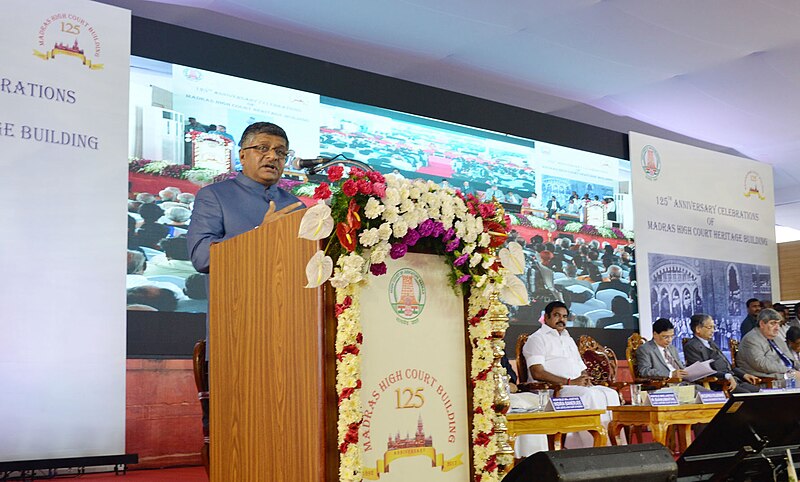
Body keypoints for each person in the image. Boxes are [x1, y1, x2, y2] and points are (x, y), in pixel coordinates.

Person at [187, 122, 304, 274]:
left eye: (280, 152)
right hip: (237, 295)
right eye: (263, 148)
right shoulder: (215, 195)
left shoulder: (296, 206)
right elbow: (202, 258)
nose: (273, 156)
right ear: (242, 156)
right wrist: (259, 235)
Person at [521, 301, 621, 450]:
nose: (561, 319)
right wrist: (569, 381)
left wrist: (584, 379)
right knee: (589, 395)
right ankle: (592, 448)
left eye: (564, 316)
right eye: (556, 315)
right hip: (555, 390)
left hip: (575, 386)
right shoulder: (536, 339)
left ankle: (614, 446)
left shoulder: (568, 339)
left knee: (610, 393)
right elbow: (537, 372)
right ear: (546, 317)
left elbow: (581, 368)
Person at [684, 314, 760, 393]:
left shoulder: (711, 343)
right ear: (698, 329)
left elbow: (728, 365)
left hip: (733, 380)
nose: (713, 330)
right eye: (710, 327)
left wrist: (744, 375)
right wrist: (726, 376)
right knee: (747, 396)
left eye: (714, 327)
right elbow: (702, 371)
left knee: (759, 393)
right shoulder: (691, 346)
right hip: (718, 384)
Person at [738, 308, 799, 380]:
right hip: (767, 380)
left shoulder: (777, 339)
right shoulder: (751, 339)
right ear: (762, 324)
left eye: (778, 323)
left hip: (787, 374)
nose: (777, 328)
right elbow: (762, 365)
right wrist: (790, 372)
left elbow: (791, 360)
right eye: (773, 323)